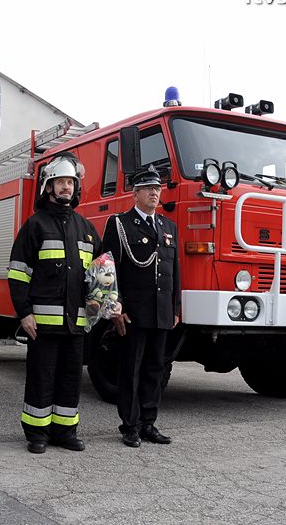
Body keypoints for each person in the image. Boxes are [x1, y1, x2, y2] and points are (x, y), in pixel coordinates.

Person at [7, 153, 102, 454]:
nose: (65, 188)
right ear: (49, 187)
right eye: (60, 182)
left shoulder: (86, 228)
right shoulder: (35, 225)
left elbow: (102, 273)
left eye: (70, 183)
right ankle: (37, 433)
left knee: (70, 377)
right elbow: (18, 273)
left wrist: (103, 303)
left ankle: (65, 432)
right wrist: (24, 313)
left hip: (76, 324)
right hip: (43, 324)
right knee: (41, 377)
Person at [102, 165, 181, 448]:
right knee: (130, 369)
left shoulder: (168, 227)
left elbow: (174, 272)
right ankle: (130, 425)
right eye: (148, 188)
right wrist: (115, 306)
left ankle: (149, 423)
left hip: (161, 311)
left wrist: (175, 308)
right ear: (135, 194)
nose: (154, 193)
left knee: (154, 369)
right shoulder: (120, 224)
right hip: (133, 312)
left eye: (157, 188)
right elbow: (109, 268)